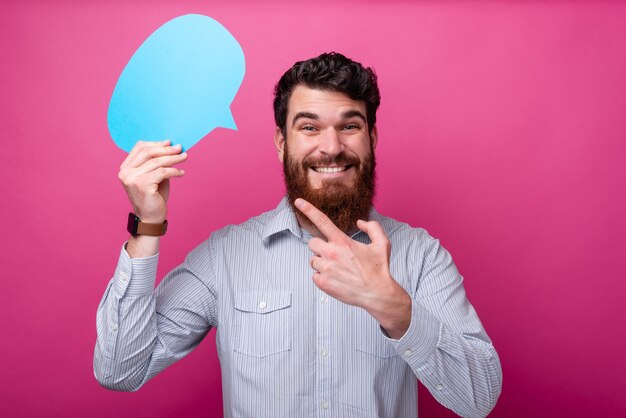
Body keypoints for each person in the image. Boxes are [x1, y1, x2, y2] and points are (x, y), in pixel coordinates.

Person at [94, 52, 502, 417]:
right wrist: (147, 224)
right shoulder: (226, 256)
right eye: (309, 127)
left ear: (372, 139)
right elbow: (120, 369)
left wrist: (395, 307)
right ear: (281, 142)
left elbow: (479, 398)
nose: (331, 146)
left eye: (350, 126)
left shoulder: (420, 255)